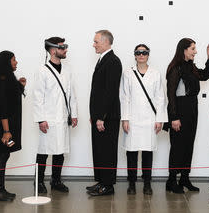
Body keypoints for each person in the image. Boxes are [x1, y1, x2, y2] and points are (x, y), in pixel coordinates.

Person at [164, 38, 209, 193]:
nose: (195, 51)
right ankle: (171, 181)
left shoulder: (190, 67)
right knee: (177, 146)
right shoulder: (175, 68)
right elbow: (171, 95)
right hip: (179, 110)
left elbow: (204, 75)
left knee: (188, 144)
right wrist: (174, 117)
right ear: (184, 50)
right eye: (193, 48)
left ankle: (184, 178)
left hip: (192, 108)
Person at [32, 37, 78, 194]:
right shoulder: (42, 71)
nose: (65, 50)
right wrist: (41, 119)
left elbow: (72, 94)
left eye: (65, 46)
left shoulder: (67, 71)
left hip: (63, 117)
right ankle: (38, 181)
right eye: (62, 47)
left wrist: (74, 113)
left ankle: (56, 180)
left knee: (60, 150)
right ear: (53, 50)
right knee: (44, 151)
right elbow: (38, 96)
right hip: (48, 119)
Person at [120, 44, 168, 195]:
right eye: (138, 52)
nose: (141, 55)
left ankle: (147, 183)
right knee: (132, 153)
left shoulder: (155, 73)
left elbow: (161, 98)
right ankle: (132, 183)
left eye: (144, 52)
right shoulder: (128, 73)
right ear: (135, 55)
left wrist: (160, 119)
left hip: (149, 119)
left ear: (148, 55)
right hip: (133, 119)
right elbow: (124, 97)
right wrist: (125, 119)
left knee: (148, 153)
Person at [86, 30, 122, 196]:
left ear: (106, 42)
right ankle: (101, 181)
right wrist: (94, 114)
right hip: (99, 116)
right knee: (99, 150)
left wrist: (101, 116)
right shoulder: (103, 60)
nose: (93, 45)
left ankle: (108, 185)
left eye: (96, 42)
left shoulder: (113, 61)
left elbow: (110, 92)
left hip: (107, 117)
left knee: (107, 151)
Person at [0, 51, 26, 201]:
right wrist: (6, 131)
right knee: (2, 155)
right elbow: (3, 108)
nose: (16, 62)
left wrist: (20, 86)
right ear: (6, 62)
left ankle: (0, 189)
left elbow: (11, 99)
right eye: (14, 60)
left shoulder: (7, 79)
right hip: (3, 128)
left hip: (5, 127)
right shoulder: (3, 80)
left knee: (4, 155)